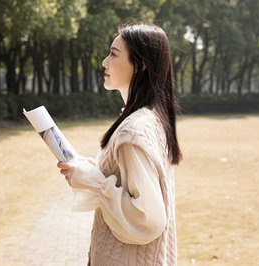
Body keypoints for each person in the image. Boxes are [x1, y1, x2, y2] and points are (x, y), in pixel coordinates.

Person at [57, 22, 182, 266]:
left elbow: (148, 218)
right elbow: (131, 181)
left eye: (113, 54)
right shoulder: (150, 118)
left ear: (141, 65)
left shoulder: (134, 129)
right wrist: (94, 170)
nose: (105, 61)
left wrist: (95, 182)